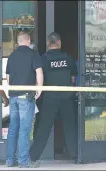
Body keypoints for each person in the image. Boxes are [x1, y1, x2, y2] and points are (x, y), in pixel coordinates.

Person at [29, 32, 77, 164]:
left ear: (48, 44)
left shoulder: (43, 59)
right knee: (70, 127)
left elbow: (39, 78)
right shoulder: (68, 58)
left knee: (43, 128)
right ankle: (75, 155)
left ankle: (32, 157)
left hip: (50, 98)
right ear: (60, 43)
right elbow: (73, 78)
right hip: (66, 97)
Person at [5, 31, 43, 168]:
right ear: (28, 41)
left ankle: (10, 160)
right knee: (24, 129)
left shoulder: (11, 56)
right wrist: (39, 88)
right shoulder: (33, 54)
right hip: (26, 96)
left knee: (13, 128)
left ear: (18, 42)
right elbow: (39, 72)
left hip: (14, 95)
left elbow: (8, 77)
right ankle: (23, 161)